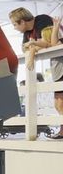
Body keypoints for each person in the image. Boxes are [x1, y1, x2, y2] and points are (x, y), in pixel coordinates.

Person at [10, 7, 63, 139]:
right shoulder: (27, 32)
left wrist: (33, 48)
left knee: (59, 101)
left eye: (15, 24)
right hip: (57, 64)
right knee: (59, 102)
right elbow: (24, 48)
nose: (14, 28)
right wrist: (34, 46)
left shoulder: (42, 20)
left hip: (60, 61)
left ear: (22, 21)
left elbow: (50, 42)